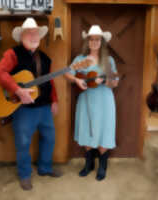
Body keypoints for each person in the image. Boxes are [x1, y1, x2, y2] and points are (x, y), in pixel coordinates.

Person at [0, 17, 62, 190]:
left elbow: (51, 81)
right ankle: (24, 175)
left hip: (44, 107)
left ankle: (45, 168)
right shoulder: (12, 54)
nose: (33, 36)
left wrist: (54, 100)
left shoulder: (45, 58)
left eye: (36, 32)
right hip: (23, 109)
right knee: (23, 143)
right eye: (29, 33)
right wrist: (17, 90)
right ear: (21, 36)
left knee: (49, 138)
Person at [65, 25, 119, 181]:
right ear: (87, 42)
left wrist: (104, 81)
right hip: (87, 100)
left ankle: (102, 166)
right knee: (86, 128)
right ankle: (88, 164)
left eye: (97, 39)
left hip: (105, 101)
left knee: (104, 130)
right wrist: (76, 80)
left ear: (102, 42)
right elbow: (68, 74)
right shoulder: (82, 60)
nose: (94, 42)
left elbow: (114, 83)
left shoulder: (108, 60)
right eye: (91, 39)